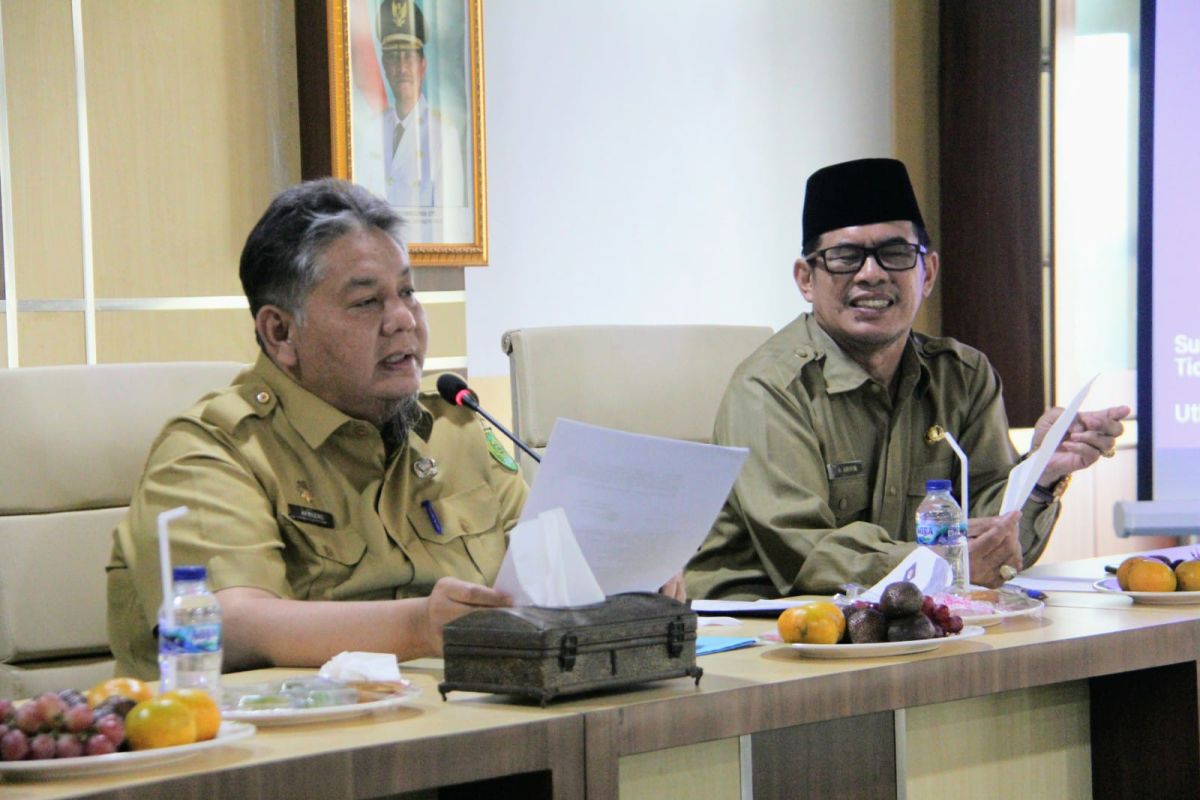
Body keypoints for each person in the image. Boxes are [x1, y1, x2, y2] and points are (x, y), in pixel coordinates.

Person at [106, 179, 519, 680]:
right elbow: (230, 624)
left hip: (479, 723)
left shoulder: (459, 425)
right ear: (279, 333)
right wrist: (419, 627)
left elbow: (549, 566)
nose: (403, 320)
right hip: (298, 742)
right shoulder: (213, 451)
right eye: (367, 302)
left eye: (407, 292)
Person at [685, 158, 1129, 599]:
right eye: (844, 257)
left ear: (928, 272)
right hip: (766, 632)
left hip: (904, 622)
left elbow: (998, 549)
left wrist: (1041, 471)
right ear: (806, 279)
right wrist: (945, 565)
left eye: (895, 254)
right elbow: (807, 551)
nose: (872, 273)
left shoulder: (963, 377)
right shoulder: (771, 388)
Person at [376, 0, 464, 212]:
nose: (402, 67)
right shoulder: (372, 130)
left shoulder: (443, 134)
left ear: (422, 65)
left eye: (409, 57)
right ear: (385, 66)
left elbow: (449, 217)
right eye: (394, 57)